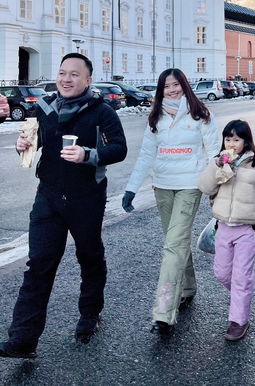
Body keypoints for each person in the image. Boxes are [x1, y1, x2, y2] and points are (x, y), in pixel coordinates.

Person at [0, 53, 127, 360]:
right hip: (49, 196)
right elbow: (38, 139)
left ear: (87, 80)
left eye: (74, 74)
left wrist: (88, 155)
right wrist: (24, 144)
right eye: (62, 73)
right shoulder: (46, 107)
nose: (66, 79)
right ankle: (22, 340)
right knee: (39, 265)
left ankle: (89, 313)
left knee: (89, 255)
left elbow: (118, 148)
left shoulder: (101, 111)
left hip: (87, 198)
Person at [122, 68, 219, 334]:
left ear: (184, 86)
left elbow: (214, 154)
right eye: (166, 86)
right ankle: (188, 287)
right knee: (174, 241)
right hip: (162, 186)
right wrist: (131, 189)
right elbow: (145, 155)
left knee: (174, 244)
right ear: (160, 90)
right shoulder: (156, 117)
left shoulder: (201, 115)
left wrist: (215, 187)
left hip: (190, 185)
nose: (172, 90)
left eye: (176, 85)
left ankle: (164, 312)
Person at [198, 120, 255, 341]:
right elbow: (205, 188)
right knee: (222, 273)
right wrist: (217, 166)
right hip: (223, 227)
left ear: (246, 141)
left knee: (241, 277)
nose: (232, 143)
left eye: (236, 139)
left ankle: (238, 321)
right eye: (228, 139)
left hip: (248, 230)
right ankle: (241, 297)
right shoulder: (220, 163)